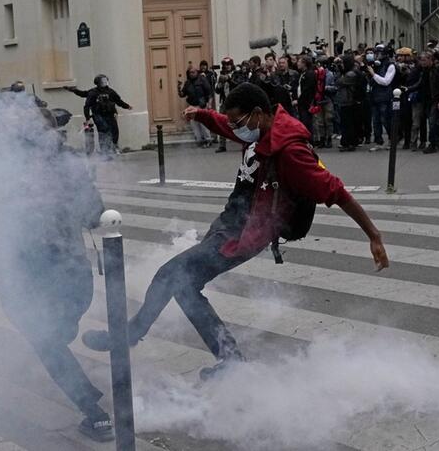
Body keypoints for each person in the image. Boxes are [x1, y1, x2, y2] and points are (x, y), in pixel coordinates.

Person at [80, 83, 390, 378]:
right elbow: (226, 125)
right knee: (185, 286)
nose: (234, 127)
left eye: (238, 120)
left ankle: (130, 335)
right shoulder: (260, 128)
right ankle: (230, 359)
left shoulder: (290, 152)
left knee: (170, 274)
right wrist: (201, 113)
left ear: (257, 113)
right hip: (230, 223)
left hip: (243, 235)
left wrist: (373, 235)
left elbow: (335, 190)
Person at [0, 106, 115, 442]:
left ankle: (94, 412)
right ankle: (60, 341)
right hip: (76, 276)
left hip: (33, 275)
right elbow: (95, 215)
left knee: (44, 338)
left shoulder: (4, 168)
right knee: (54, 332)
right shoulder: (69, 161)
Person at [66, 75, 132, 157]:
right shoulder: (93, 93)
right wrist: (87, 118)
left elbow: (118, 101)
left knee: (114, 131)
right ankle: (105, 152)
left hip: (110, 115)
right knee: (104, 131)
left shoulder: (111, 92)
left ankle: (113, 148)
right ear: (98, 83)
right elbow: (86, 104)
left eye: (105, 81)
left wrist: (127, 106)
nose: (105, 83)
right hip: (98, 115)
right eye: (102, 81)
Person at [364, 45, 397, 151]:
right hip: (374, 96)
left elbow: (386, 81)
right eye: (376, 53)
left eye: (379, 53)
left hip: (384, 96)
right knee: (376, 120)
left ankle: (392, 140)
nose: (376, 55)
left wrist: (373, 74)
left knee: (385, 119)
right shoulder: (375, 65)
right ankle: (378, 141)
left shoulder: (390, 65)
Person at [179, 66, 214, 148]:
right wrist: (179, 89)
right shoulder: (187, 83)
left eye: (193, 72)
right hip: (192, 105)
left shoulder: (202, 80)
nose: (192, 74)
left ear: (196, 72)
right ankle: (199, 141)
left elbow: (209, 92)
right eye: (190, 72)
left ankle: (208, 140)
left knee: (203, 124)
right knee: (194, 124)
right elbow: (182, 94)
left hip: (201, 105)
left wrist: (209, 103)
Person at [336, 54, 364, 151]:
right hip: (349, 100)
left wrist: (339, 71)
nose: (341, 65)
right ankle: (350, 141)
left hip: (349, 101)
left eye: (342, 63)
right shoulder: (351, 71)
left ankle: (349, 142)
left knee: (348, 123)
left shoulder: (351, 74)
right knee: (349, 123)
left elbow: (339, 82)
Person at [214, 57, 241, 152]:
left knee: (239, 122)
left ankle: (244, 143)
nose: (227, 66)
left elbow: (238, 85)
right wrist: (220, 83)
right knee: (221, 123)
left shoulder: (237, 74)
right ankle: (222, 145)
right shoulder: (221, 75)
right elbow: (217, 91)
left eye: (229, 64)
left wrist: (229, 79)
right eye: (225, 65)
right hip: (225, 102)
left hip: (235, 102)